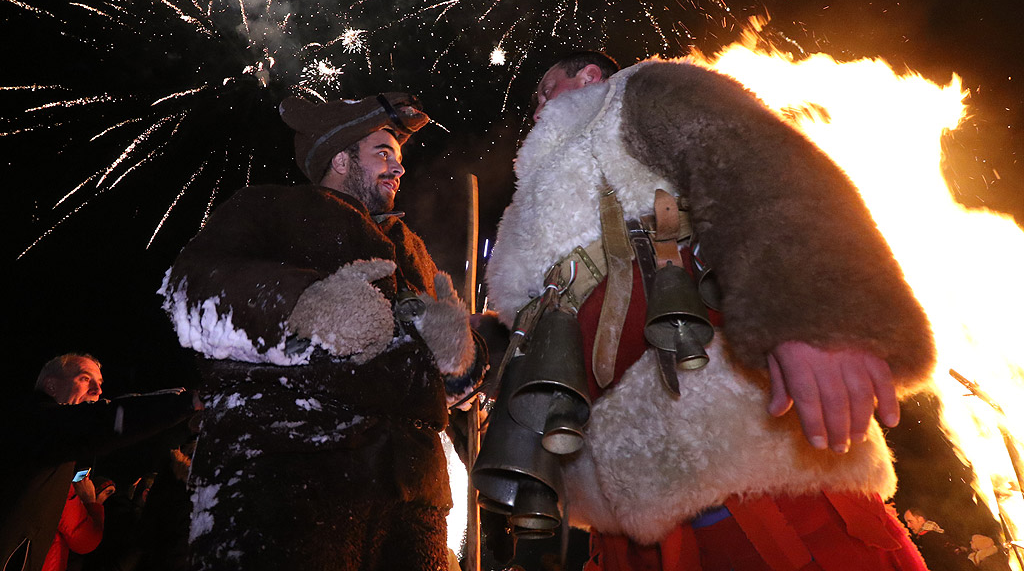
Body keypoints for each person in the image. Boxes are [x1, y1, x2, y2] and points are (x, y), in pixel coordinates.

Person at [484, 52, 938, 570]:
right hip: (620, 522)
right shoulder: (534, 202)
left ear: (589, 77)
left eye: (547, 87)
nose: (537, 105)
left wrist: (812, 317)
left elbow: (751, 161)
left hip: (750, 484)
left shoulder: (632, 95)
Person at [160, 91, 486, 571]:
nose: (399, 169)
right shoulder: (271, 209)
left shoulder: (411, 249)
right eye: (383, 153)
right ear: (340, 157)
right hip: (284, 482)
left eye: (398, 158)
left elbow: (457, 386)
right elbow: (186, 291)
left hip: (414, 504)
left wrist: (460, 356)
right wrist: (305, 305)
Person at [1, 354, 196, 571]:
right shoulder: (34, 424)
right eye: (85, 379)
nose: (97, 390)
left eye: (100, 384)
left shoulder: (51, 440)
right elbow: (103, 419)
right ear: (52, 386)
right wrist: (187, 402)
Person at [901, 508, 973, 571]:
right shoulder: (938, 533)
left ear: (920, 519)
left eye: (910, 521)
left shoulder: (928, 539)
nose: (908, 526)